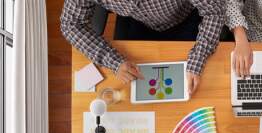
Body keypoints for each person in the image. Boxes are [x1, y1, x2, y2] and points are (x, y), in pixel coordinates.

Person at [60, 0, 225, 95]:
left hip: (187, 18)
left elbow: (214, 12)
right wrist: (113, 61)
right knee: (131, 93)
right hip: (136, 22)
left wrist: (197, 59)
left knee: (199, 88)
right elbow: (70, 24)